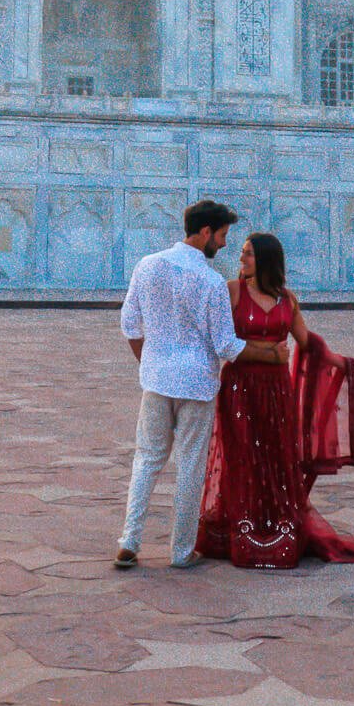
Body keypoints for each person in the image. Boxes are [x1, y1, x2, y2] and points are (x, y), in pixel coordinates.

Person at [115, 199, 284, 571]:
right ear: (206, 232)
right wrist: (269, 353)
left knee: (146, 459)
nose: (223, 244)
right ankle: (180, 552)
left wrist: (153, 363)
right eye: (222, 236)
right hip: (196, 383)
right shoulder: (209, 281)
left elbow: (130, 325)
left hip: (157, 380)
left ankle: (129, 540)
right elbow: (227, 345)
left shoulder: (148, 265)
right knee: (191, 466)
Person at [197, 231, 354, 568]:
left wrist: (341, 365)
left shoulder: (287, 300)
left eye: (248, 254)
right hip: (240, 389)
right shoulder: (232, 292)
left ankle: (276, 527)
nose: (241, 259)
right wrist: (267, 352)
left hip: (278, 391)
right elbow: (220, 339)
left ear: (264, 259)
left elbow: (305, 341)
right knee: (245, 455)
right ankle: (245, 530)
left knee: (276, 455)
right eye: (242, 253)